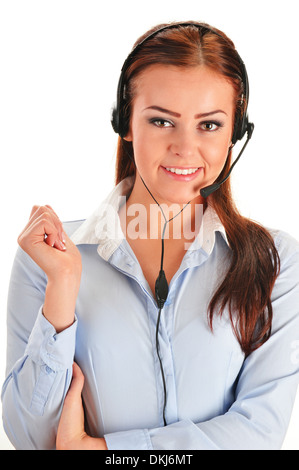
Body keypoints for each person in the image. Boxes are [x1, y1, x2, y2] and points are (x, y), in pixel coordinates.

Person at [2, 21, 299, 451]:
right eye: (161, 121)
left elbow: (259, 432)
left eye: (210, 125)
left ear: (236, 132)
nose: (184, 147)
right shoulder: (50, 259)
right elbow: (30, 439)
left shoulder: (277, 261)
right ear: (125, 123)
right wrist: (63, 289)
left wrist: (106, 452)